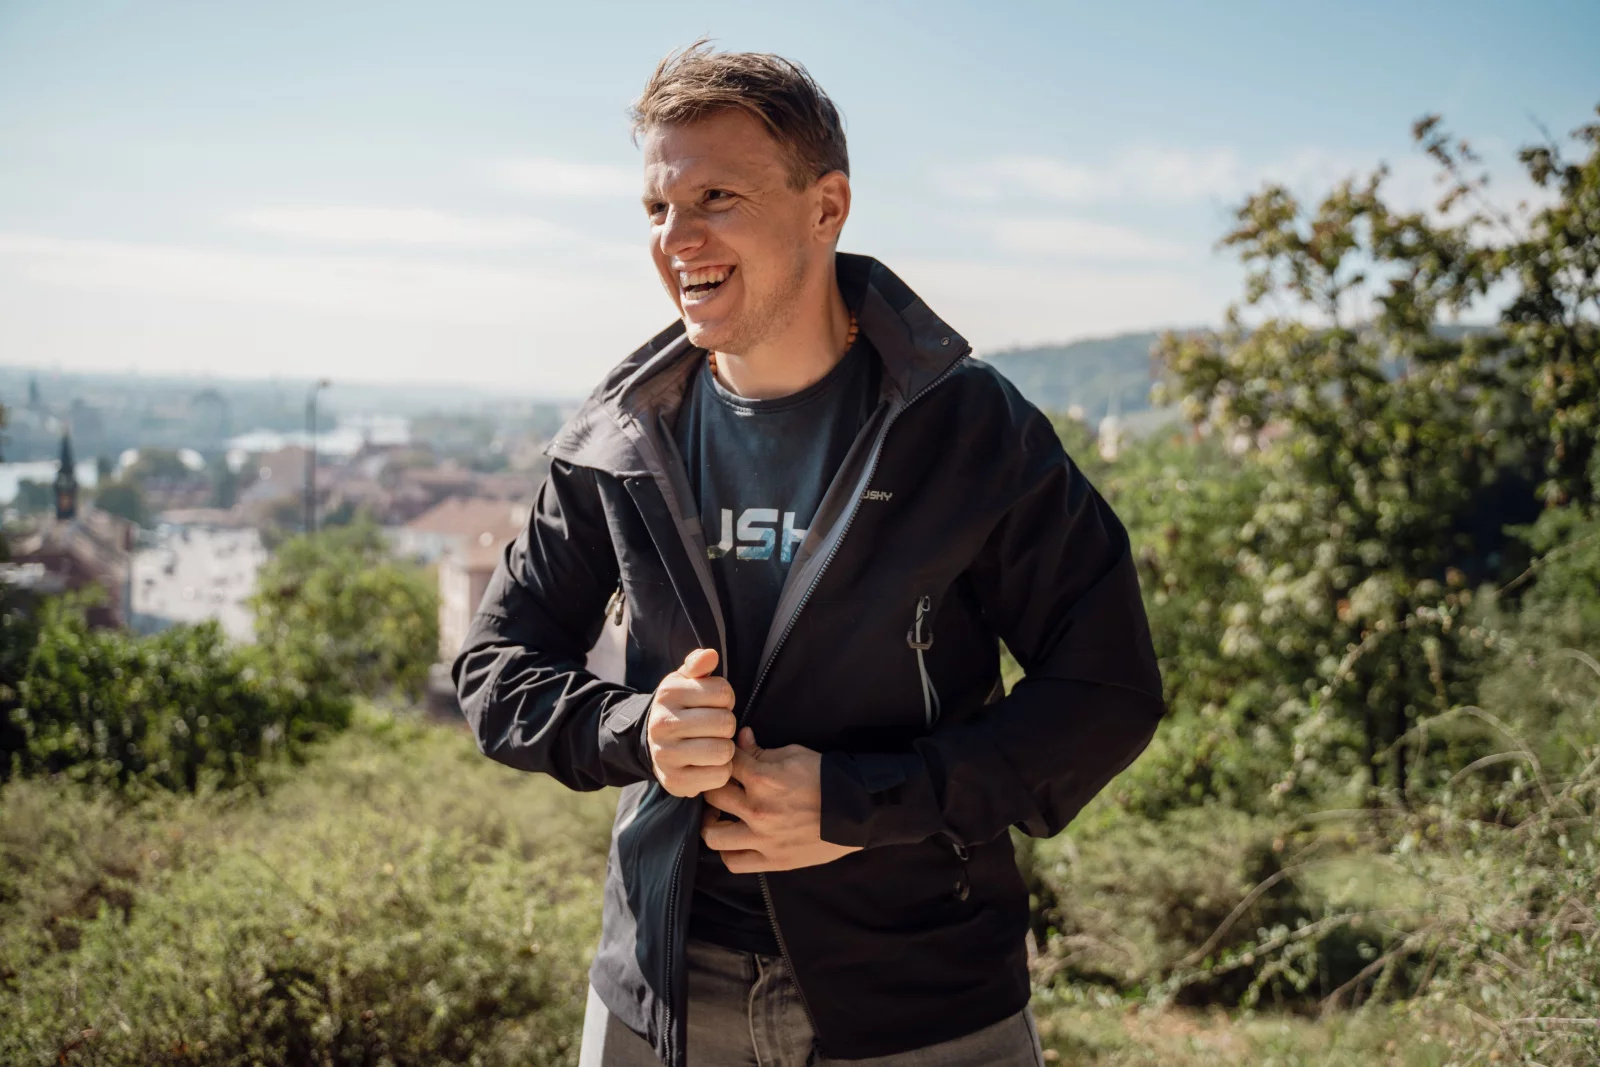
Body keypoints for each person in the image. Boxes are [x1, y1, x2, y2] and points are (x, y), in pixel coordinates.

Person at [453, 39, 1165, 1067]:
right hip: (664, 991)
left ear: (826, 207)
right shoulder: (619, 434)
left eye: (717, 197)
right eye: (657, 207)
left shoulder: (969, 429)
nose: (676, 238)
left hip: (924, 997)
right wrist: (633, 728)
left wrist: (859, 804)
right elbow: (494, 670)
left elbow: (1105, 690)